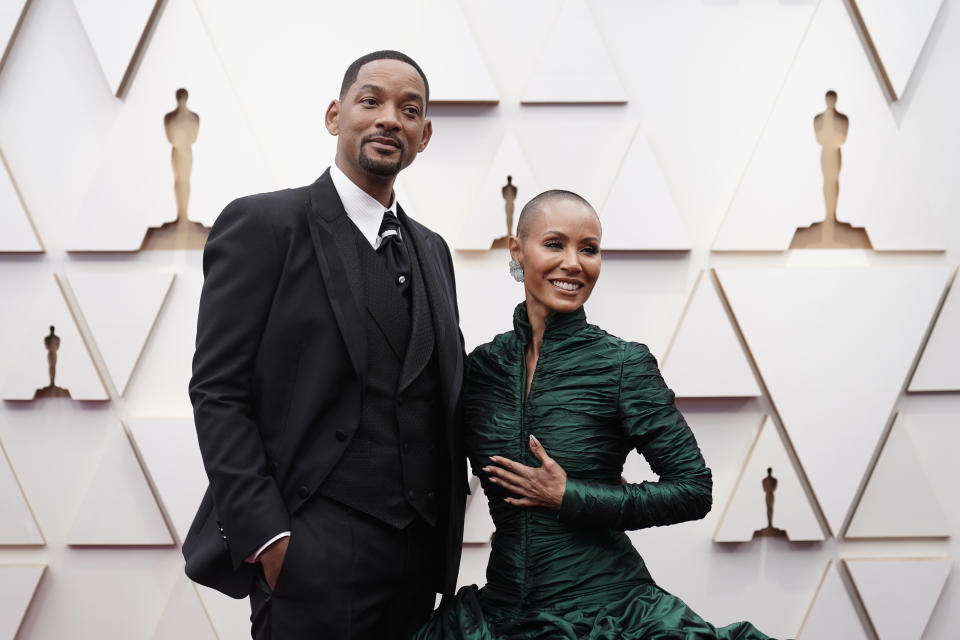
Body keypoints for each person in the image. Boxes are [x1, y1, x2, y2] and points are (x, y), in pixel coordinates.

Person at [182, 50, 467, 639]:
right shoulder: (265, 225)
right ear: (335, 116)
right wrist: (268, 537)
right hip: (310, 552)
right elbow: (217, 392)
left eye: (408, 110)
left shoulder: (434, 251)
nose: (390, 118)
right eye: (372, 102)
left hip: (417, 564)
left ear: (425, 134)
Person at [415, 190, 775, 639]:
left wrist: (571, 495)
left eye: (589, 249)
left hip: (608, 613)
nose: (574, 263)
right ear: (516, 251)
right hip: (502, 612)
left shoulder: (622, 365)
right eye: (554, 244)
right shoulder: (481, 369)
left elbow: (694, 490)